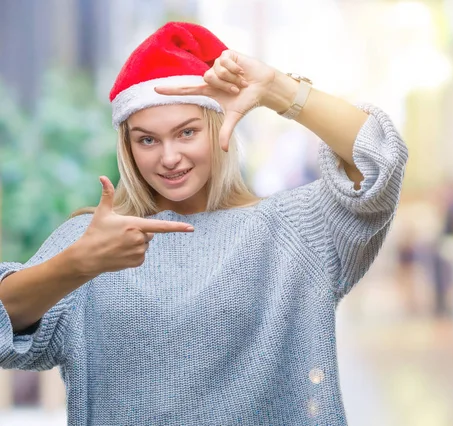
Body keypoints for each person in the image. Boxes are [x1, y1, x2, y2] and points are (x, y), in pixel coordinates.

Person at [0, 22, 408, 425]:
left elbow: (380, 159)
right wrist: (76, 265)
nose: (169, 157)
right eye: (147, 140)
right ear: (126, 146)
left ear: (216, 127)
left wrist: (275, 89)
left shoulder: (293, 233)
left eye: (187, 132)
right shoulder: (95, 243)